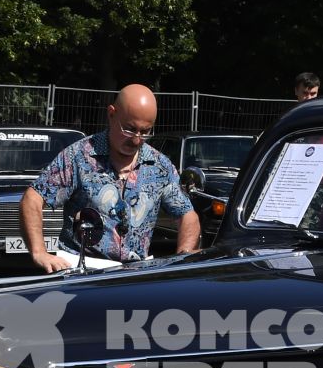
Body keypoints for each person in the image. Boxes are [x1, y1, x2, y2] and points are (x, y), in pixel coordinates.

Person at [22, 84, 199, 271]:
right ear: (112, 114)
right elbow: (32, 199)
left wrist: (184, 256)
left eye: (145, 132)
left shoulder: (160, 166)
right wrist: (39, 252)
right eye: (130, 129)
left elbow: (187, 215)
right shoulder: (78, 156)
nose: (136, 139)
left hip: (134, 279)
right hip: (82, 276)